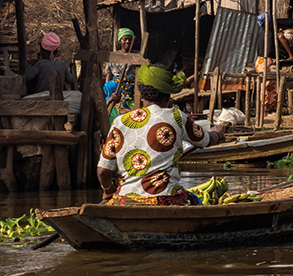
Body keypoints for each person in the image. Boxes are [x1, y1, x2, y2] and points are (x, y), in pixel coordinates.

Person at [96, 64, 229, 205]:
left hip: (126, 200)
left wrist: (108, 190)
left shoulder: (120, 122)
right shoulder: (177, 116)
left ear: (142, 95)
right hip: (167, 200)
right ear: (168, 96)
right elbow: (206, 140)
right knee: (195, 200)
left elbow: (102, 172)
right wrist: (218, 132)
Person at [104, 27, 138, 119]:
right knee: (109, 105)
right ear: (120, 41)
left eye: (130, 40)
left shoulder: (137, 56)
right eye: (125, 39)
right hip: (117, 86)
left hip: (132, 87)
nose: (127, 42)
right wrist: (108, 88)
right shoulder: (113, 56)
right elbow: (109, 74)